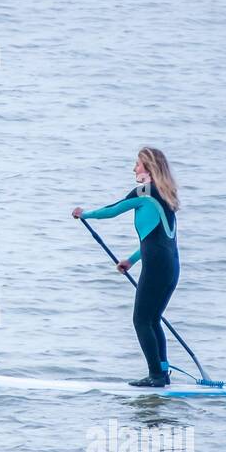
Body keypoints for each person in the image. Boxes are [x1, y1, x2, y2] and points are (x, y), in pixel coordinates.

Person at [72, 148, 180, 387]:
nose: (134, 169)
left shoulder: (144, 191)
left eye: (138, 164)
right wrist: (132, 260)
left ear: (149, 168)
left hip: (156, 267)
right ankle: (162, 372)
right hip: (171, 266)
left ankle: (156, 376)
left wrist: (85, 214)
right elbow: (158, 240)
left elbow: (113, 209)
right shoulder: (166, 195)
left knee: (142, 320)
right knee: (153, 319)